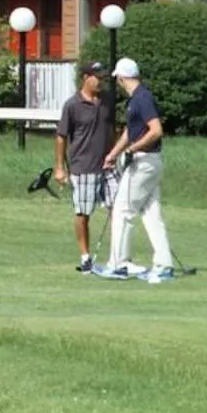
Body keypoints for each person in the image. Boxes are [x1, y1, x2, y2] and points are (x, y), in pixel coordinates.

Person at [103, 57, 176, 282]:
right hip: (148, 161)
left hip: (144, 161)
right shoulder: (136, 100)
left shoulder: (142, 98)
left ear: (122, 77)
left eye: (119, 79)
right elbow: (131, 131)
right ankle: (164, 264)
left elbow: (155, 130)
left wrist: (132, 150)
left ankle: (119, 263)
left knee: (123, 210)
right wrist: (113, 154)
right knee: (151, 213)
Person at [54, 60, 115, 273]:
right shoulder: (72, 105)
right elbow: (61, 137)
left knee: (119, 209)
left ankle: (119, 256)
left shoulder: (107, 100)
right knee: (83, 212)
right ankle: (85, 256)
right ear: (85, 78)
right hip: (83, 166)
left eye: (103, 79)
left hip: (108, 165)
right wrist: (59, 167)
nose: (101, 82)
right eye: (97, 78)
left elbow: (112, 129)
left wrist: (116, 154)